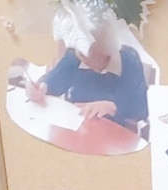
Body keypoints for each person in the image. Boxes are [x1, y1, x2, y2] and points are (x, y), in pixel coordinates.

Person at [26, 7, 150, 135]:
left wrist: (113, 106)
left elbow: (142, 108)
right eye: (79, 52)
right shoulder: (75, 54)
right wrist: (41, 87)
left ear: (107, 51)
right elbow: (55, 80)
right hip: (76, 127)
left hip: (111, 133)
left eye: (86, 54)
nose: (81, 58)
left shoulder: (129, 59)